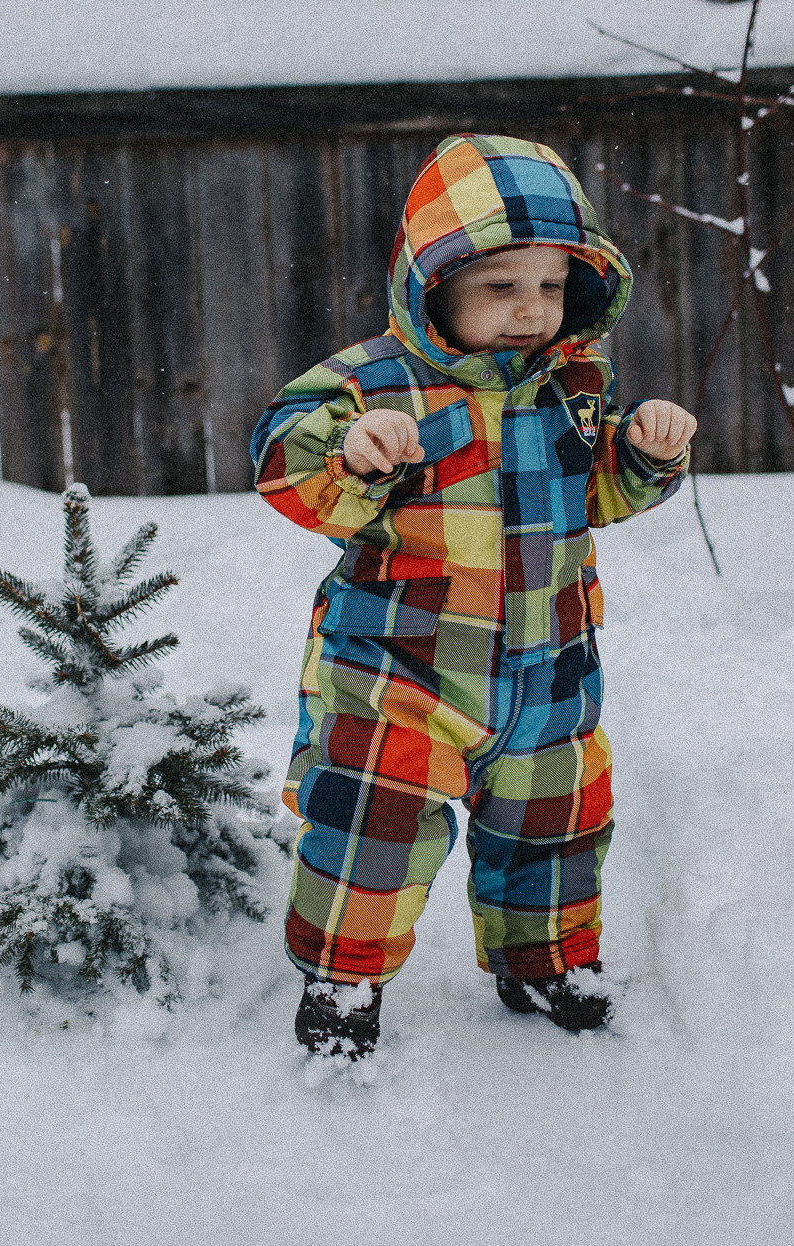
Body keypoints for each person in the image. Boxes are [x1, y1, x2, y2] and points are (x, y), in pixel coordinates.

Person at [250, 134, 696, 1059]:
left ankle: (543, 964)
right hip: (400, 665)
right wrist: (354, 453)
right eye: (499, 287)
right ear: (432, 282)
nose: (531, 310)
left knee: (556, 820)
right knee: (373, 826)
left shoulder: (570, 386)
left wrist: (642, 458)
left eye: (549, 286)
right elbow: (285, 466)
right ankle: (343, 979)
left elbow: (594, 493)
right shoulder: (370, 381)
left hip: (549, 666)